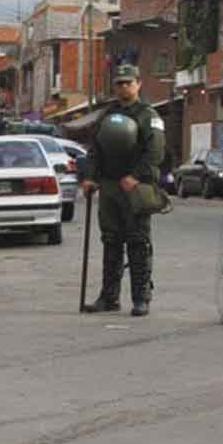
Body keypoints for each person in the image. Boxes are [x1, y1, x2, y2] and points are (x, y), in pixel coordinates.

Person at [79, 63, 165, 317]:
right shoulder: (106, 115)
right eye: (119, 83)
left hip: (135, 188)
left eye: (128, 82)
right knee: (111, 241)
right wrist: (90, 177)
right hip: (109, 186)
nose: (123, 87)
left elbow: (156, 152)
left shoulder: (149, 115)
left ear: (138, 84)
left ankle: (141, 297)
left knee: (138, 241)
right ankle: (109, 297)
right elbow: (95, 149)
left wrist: (137, 176)